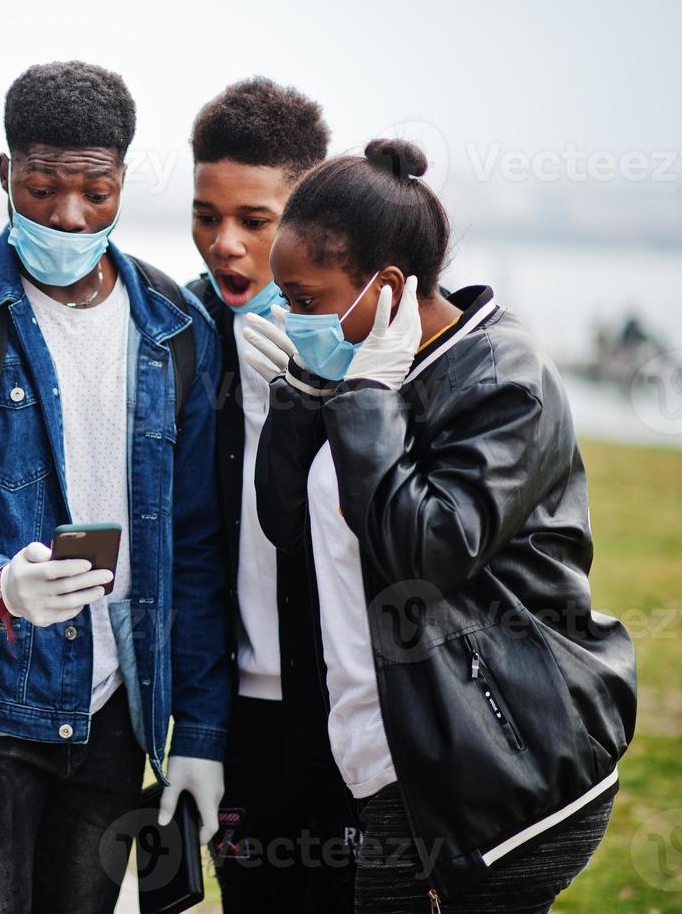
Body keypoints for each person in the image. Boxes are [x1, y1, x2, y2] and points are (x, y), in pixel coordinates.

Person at [245, 138, 637, 912]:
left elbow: (428, 552)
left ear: (386, 285)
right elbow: (287, 526)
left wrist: (361, 400)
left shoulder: (501, 380)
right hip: (387, 756)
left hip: (487, 769)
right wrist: (302, 391)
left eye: (304, 298)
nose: (287, 314)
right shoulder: (362, 365)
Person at [0, 61, 229, 913]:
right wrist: (1, 585)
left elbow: (192, 546)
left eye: (95, 192)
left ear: (122, 179)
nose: (68, 215)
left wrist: (201, 730)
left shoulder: (174, 328)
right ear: (5, 174)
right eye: (41, 189)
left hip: (119, 714)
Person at [185, 78, 358, 910]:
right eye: (204, 216)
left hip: (355, 712)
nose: (224, 244)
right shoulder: (176, 333)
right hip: (236, 715)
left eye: (254, 221)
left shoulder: (365, 341)